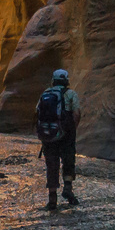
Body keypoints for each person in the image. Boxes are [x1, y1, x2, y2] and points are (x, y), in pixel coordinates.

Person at [35, 69, 80, 212]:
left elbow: (37, 112)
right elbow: (76, 113)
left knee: (52, 165)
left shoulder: (46, 93)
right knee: (68, 160)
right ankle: (68, 188)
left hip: (49, 134)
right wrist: (72, 130)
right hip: (66, 134)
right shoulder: (71, 94)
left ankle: (52, 199)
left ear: (53, 80)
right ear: (66, 80)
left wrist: (42, 132)